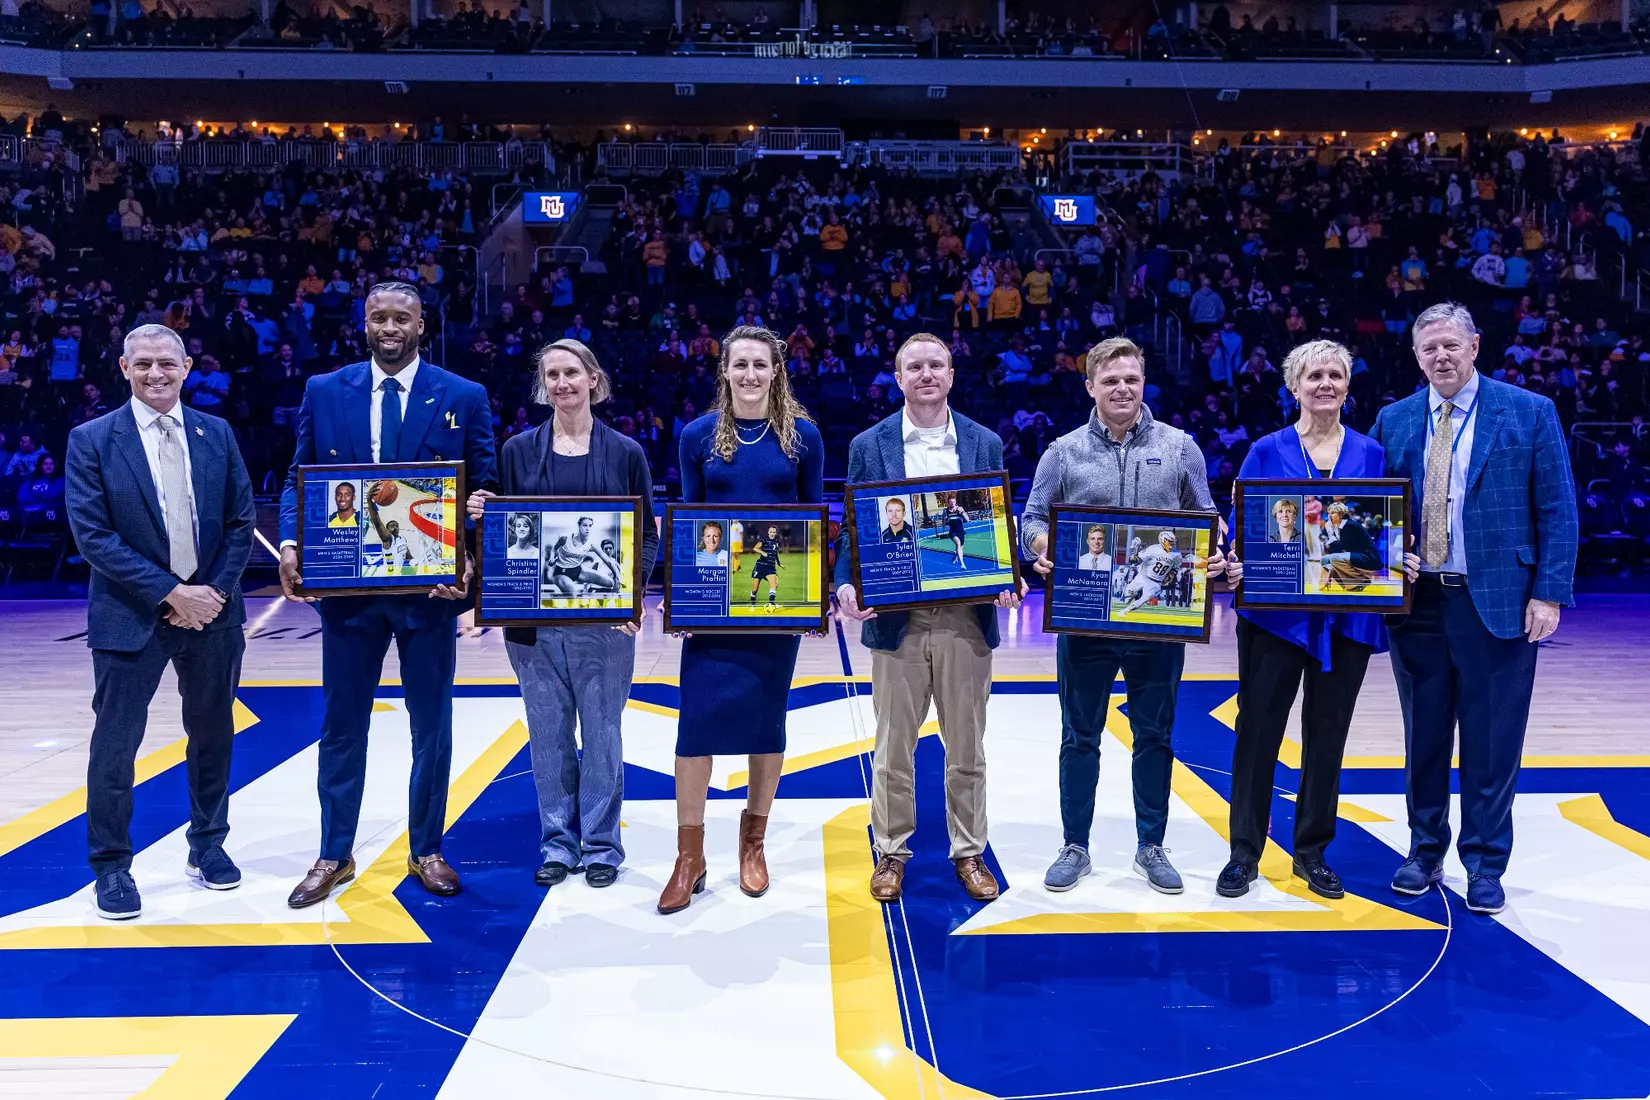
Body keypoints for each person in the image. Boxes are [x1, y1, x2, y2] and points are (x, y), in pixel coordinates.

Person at [278, 281, 498, 909]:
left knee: (432, 728)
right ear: (365, 323)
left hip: (427, 593)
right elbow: (300, 479)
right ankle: (333, 851)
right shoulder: (324, 391)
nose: (390, 326)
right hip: (348, 593)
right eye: (380, 316)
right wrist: (292, 547)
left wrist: (472, 554)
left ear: (422, 325)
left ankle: (426, 846)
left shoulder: (463, 395)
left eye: (402, 317)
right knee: (342, 725)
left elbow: (484, 486)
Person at [1369, 302, 1577, 915]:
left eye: (1451, 346)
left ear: (1475, 346)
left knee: (1493, 741)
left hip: (1500, 599)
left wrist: (1548, 591)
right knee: (1424, 736)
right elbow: (1374, 511)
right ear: (1416, 355)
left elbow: (1558, 509)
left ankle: (1485, 863)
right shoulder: (1395, 419)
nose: (1441, 356)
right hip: (1418, 603)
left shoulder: (1529, 411)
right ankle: (1424, 849)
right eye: (1429, 347)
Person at [1022, 337, 1227, 895]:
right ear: (1090, 386)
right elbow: (1033, 518)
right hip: (1085, 619)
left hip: (1158, 620)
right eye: (1110, 380)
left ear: (1144, 383)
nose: (1122, 389)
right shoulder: (1062, 451)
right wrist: (1040, 544)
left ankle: (1151, 846)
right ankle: (1075, 846)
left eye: (1131, 379)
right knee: (1078, 735)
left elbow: (1205, 514)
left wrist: (1215, 545)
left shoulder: (1180, 446)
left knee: (1154, 735)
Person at [64, 324, 255, 919]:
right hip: (130, 613)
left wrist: (210, 595)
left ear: (186, 366)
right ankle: (112, 865)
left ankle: (208, 845)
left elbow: (239, 521)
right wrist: (173, 593)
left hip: (213, 615)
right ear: (124, 368)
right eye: (142, 363)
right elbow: (93, 536)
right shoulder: (92, 439)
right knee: (116, 744)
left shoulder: (215, 433)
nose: (155, 373)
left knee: (212, 733)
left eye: (165, 363)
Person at [1219, 340, 1420, 901]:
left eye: (1335, 375)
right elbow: (1248, 525)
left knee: (1327, 735)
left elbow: (1383, 528)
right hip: (1275, 616)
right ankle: (1244, 853)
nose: (1325, 384)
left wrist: (1396, 556)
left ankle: (1312, 852)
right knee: (1257, 732)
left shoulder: (1372, 453)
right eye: (1314, 376)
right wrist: (1237, 561)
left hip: (1346, 614)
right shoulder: (1266, 448)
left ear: (1348, 387)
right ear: (1294, 386)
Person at [836, 332, 1022, 903]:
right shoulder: (870, 444)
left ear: (950, 374)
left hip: (966, 619)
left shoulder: (984, 442)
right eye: (914, 366)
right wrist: (846, 580)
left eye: (936, 364)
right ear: (898, 377)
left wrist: (1008, 573)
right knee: (894, 748)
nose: (926, 374)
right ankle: (890, 852)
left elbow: (1000, 520)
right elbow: (852, 526)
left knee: (967, 747)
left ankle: (969, 852)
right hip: (897, 620)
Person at [466, 338, 658, 888]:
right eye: (552, 375)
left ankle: (601, 846)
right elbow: (503, 532)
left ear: (593, 379)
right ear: (543, 384)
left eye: (572, 372)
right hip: (533, 624)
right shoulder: (517, 451)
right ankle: (556, 842)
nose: (563, 383)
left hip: (604, 624)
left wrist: (634, 593)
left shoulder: (625, 452)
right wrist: (481, 512)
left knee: (602, 734)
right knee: (547, 735)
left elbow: (646, 536)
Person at [664, 325, 824, 915]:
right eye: (741, 365)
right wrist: (683, 597)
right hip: (713, 610)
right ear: (724, 371)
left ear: (776, 370)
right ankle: (689, 857)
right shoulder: (697, 436)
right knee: (694, 728)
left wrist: (811, 599)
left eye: (761, 364)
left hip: (775, 610)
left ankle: (752, 844)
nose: (751, 375)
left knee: (766, 724)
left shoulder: (802, 436)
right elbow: (688, 523)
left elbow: (811, 518)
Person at [748, 522, 783, 610]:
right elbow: (755, 548)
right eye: (770, 532)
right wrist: (763, 552)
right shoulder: (764, 539)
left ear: (776, 533)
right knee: (754, 590)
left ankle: (771, 604)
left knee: (774, 584)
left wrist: (779, 563)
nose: (772, 533)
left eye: (773, 532)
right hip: (761, 566)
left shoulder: (777, 541)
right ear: (768, 532)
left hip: (770, 567)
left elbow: (775, 553)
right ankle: (752, 604)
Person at [943, 495, 970, 568]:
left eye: (953, 502)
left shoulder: (960, 509)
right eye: (950, 502)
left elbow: (967, 520)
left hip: (961, 532)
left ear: (955, 502)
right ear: (948, 503)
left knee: (960, 548)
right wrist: (943, 527)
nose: (952, 504)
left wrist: (963, 512)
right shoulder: (945, 511)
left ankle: (955, 555)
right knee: (958, 543)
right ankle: (962, 564)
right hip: (952, 532)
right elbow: (944, 520)